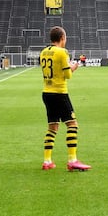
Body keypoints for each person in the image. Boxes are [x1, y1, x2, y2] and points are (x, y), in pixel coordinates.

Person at [40, 26, 91, 171]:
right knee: (72, 124)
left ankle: (47, 160)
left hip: (46, 92)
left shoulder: (43, 52)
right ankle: (72, 160)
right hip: (59, 92)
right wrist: (73, 66)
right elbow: (67, 75)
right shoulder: (62, 52)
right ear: (62, 38)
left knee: (52, 127)